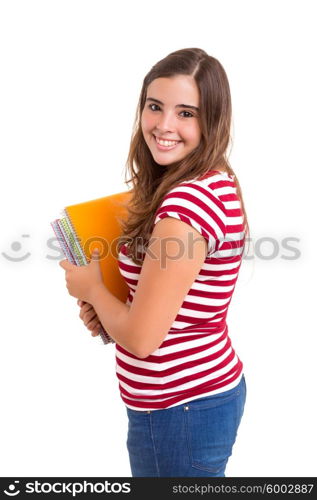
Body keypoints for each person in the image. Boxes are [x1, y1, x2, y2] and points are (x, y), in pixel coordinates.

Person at [60, 47, 249, 477]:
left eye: (186, 113)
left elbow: (143, 340)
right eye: (155, 107)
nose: (164, 126)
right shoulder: (211, 179)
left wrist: (91, 289)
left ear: (212, 120)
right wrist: (109, 313)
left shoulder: (184, 204)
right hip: (201, 395)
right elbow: (175, 308)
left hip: (179, 409)